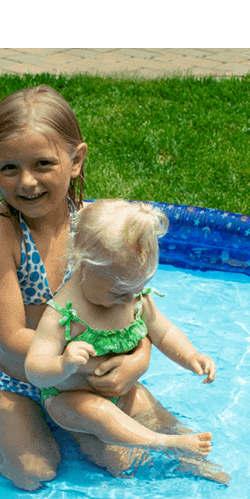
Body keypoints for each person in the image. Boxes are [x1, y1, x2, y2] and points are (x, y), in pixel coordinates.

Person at [0, 85, 156, 491]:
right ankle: (1, 416)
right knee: (33, 474)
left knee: (128, 460)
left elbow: (135, 305)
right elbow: (8, 337)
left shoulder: (93, 224)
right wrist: (79, 365)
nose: (27, 182)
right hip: (18, 377)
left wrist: (136, 361)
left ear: (76, 160)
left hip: (78, 375)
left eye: (43, 163)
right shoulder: (0, 234)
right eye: (9, 168)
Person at [25, 199, 227, 474]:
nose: (130, 299)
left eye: (138, 288)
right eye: (119, 292)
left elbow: (164, 332)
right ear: (82, 262)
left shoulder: (131, 295)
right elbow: (34, 368)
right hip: (70, 402)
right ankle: (163, 443)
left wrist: (191, 356)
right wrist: (64, 364)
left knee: (153, 411)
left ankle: (190, 457)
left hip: (123, 390)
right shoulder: (63, 312)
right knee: (105, 425)